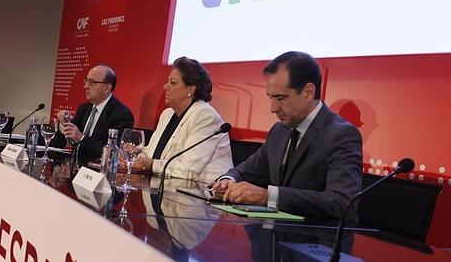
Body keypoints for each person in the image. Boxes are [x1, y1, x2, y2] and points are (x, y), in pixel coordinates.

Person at [211, 51, 362, 220]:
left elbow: (342, 203)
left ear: (308, 92)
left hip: (316, 240)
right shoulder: (279, 131)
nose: (273, 108)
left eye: (280, 98)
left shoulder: (340, 134)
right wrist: (228, 180)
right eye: (271, 97)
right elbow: (245, 172)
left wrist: (268, 196)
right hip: (274, 236)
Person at [132, 57, 233, 183]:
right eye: (167, 82)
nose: (165, 87)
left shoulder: (205, 116)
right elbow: (151, 154)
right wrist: (133, 155)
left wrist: (148, 164)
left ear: (191, 89)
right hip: (169, 189)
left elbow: (187, 171)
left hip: (203, 195)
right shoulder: (167, 114)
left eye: (173, 83)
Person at [56, 65, 134, 163]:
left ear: (107, 88)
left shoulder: (122, 114)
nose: (86, 86)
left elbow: (113, 152)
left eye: (92, 82)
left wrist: (81, 138)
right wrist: (64, 125)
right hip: (76, 169)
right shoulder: (84, 108)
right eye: (86, 81)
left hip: (99, 173)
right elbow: (60, 145)